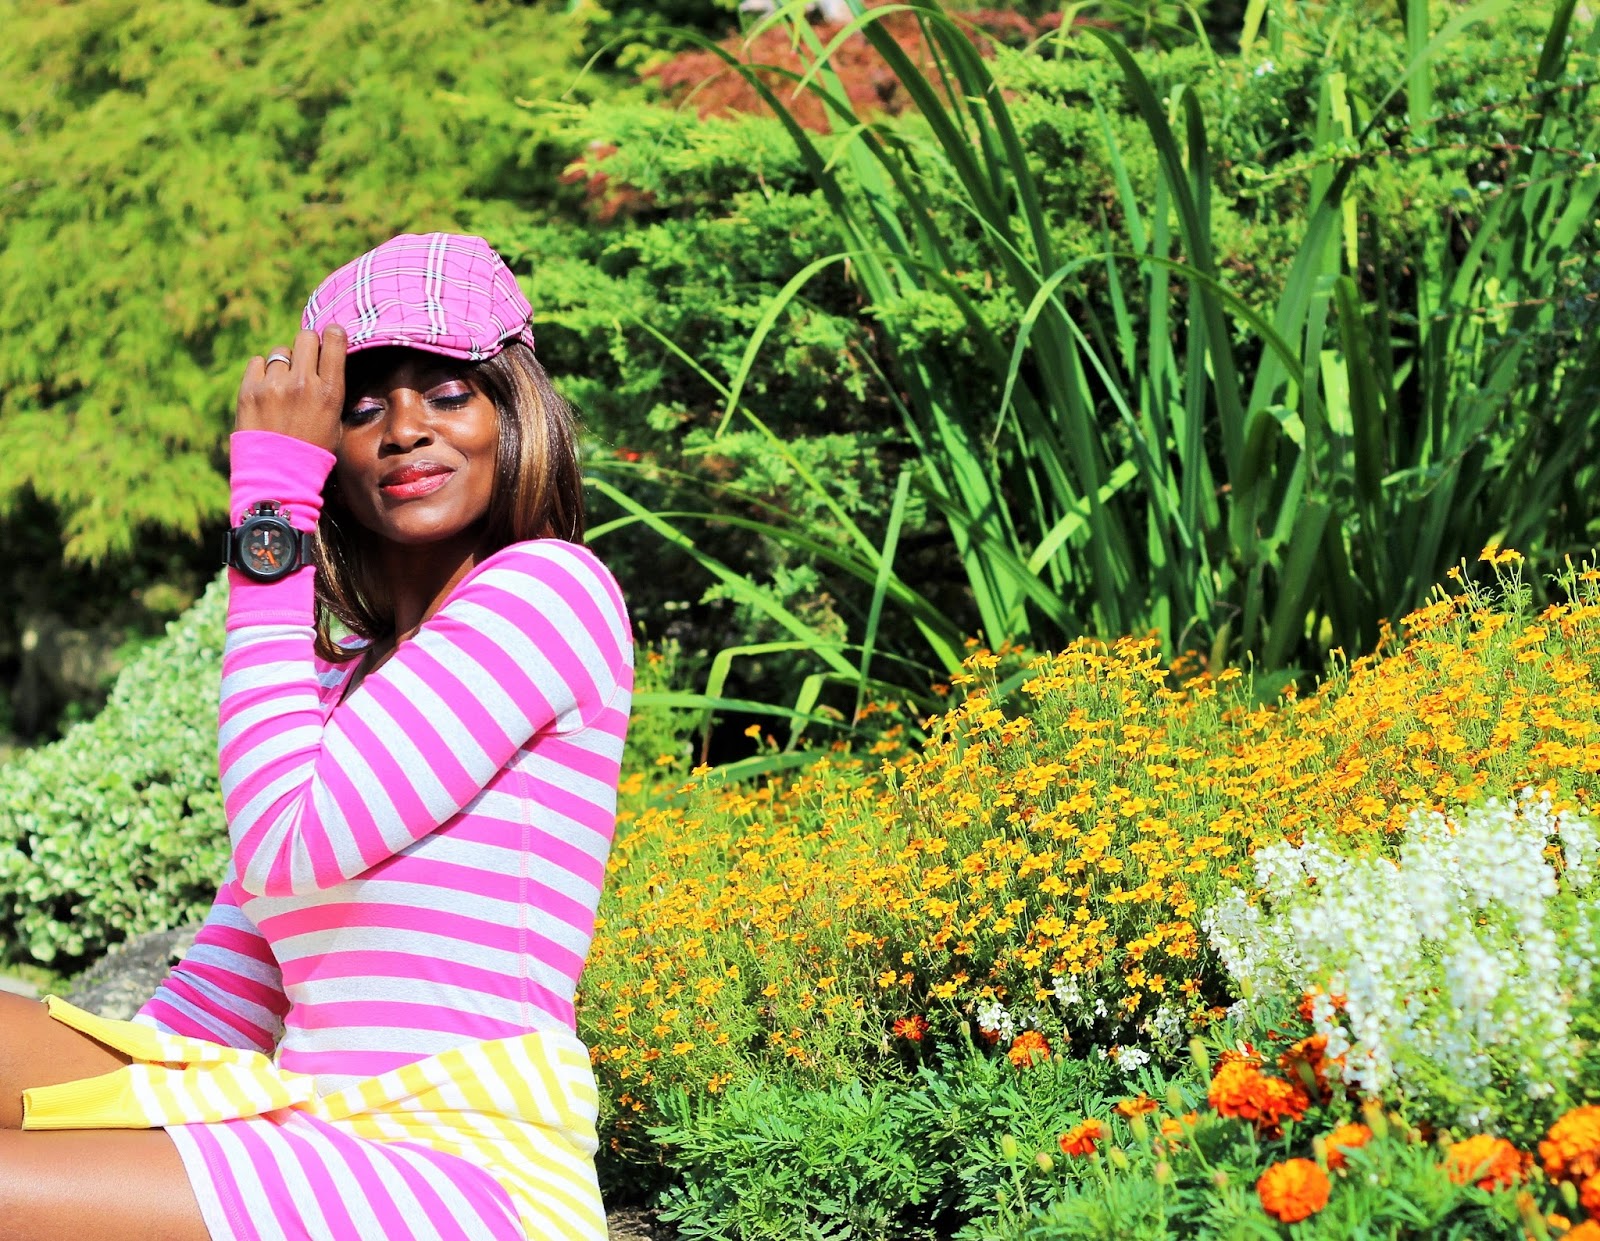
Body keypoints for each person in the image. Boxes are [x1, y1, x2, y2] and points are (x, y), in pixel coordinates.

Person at [0, 232, 633, 1240]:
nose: (406, 430)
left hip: (468, 1175)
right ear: (335, 451)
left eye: (448, 394)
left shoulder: (550, 591)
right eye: (364, 409)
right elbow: (219, 1008)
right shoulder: (337, 685)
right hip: (315, 1132)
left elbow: (288, 842)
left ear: (514, 412)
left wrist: (268, 502)